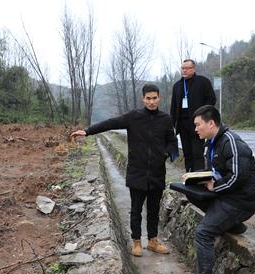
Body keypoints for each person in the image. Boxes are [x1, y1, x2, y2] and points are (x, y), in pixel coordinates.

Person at [71, 84, 179, 257]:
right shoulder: (133, 117)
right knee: (136, 209)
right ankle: (136, 241)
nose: (151, 101)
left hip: (157, 173)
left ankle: (152, 240)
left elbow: (172, 142)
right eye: (148, 98)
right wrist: (87, 131)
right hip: (137, 171)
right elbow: (110, 123)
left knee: (154, 209)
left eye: (154, 98)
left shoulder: (166, 119)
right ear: (143, 99)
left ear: (159, 98)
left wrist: (166, 154)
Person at [176, 105, 255, 274]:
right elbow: (215, 172)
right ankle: (232, 224)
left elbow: (238, 177)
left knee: (203, 233)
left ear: (211, 123)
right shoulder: (212, 143)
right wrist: (196, 179)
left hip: (240, 201)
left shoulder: (231, 142)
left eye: (198, 125)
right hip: (228, 196)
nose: (195, 129)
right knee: (191, 193)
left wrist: (215, 187)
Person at [170, 59, 217, 172]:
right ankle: (189, 177)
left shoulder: (203, 82)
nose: (184, 71)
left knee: (197, 153)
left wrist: (203, 114)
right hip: (182, 124)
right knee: (187, 153)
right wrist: (171, 125)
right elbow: (173, 107)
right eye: (183, 68)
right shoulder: (177, 86)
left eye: (187, 68)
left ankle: (199, 179)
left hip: (198, 124)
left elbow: (211, 99)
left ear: (193, 69)